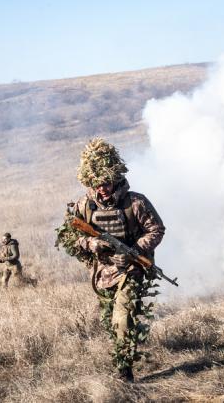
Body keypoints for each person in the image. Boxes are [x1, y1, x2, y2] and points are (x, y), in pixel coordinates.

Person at [68, 138, 166, 382]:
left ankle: (125, 372)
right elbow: (71, 236)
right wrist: (92, 243)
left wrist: (133, 249)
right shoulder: (85, 206)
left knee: (123, 319)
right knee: (111, 321)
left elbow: (156, 230)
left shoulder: (135, 202)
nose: (103, 188)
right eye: (97, 184)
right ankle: (123, 358)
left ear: (115, 177)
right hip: (102, 275)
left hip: (130, 269)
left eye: (107, 182)